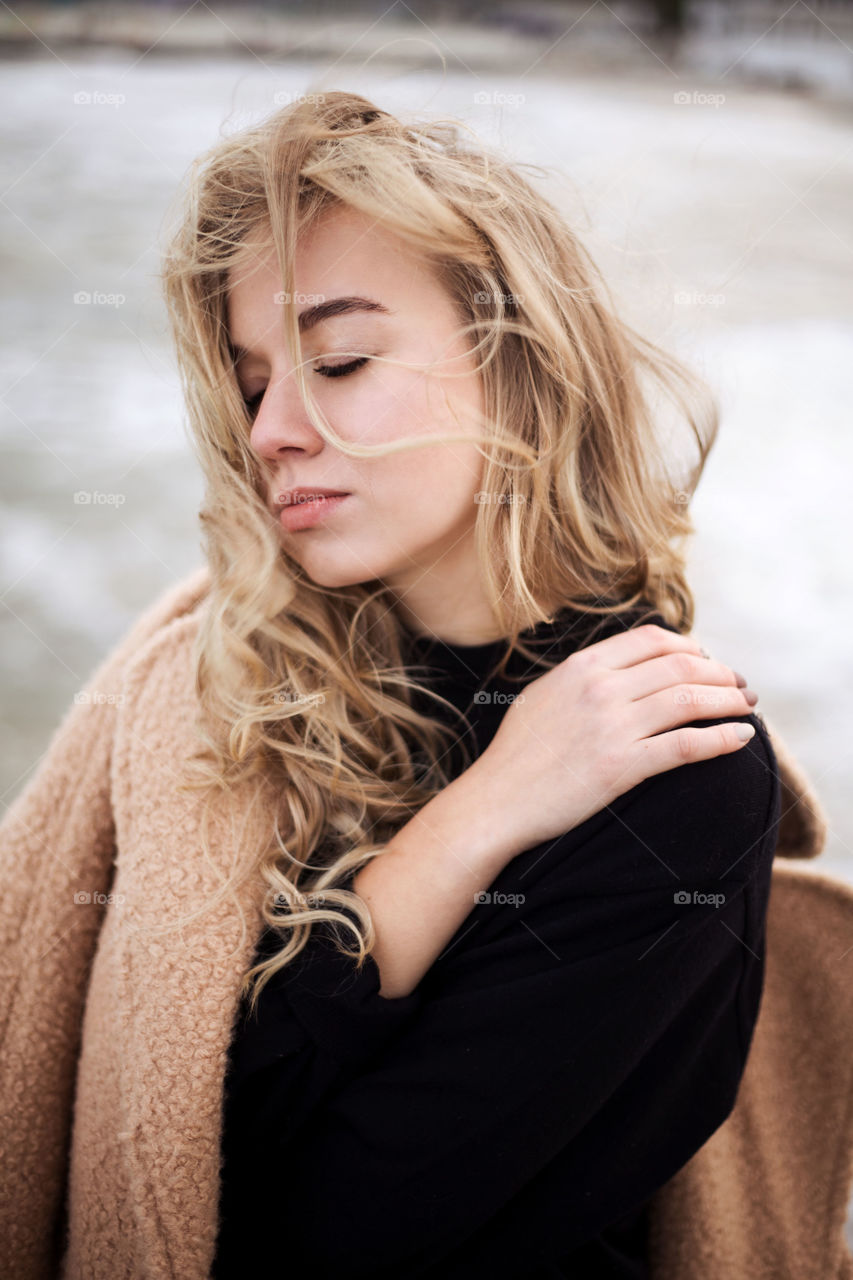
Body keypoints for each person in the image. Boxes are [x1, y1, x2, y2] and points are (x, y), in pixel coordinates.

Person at [2, 91, 778, 1278]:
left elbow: (306, 1232)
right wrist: (465, 828)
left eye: (339, 359)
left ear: (524, 366)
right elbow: (148, 1139)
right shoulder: (222, 689)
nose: (270, 429)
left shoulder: (672, 774)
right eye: (253, 379)